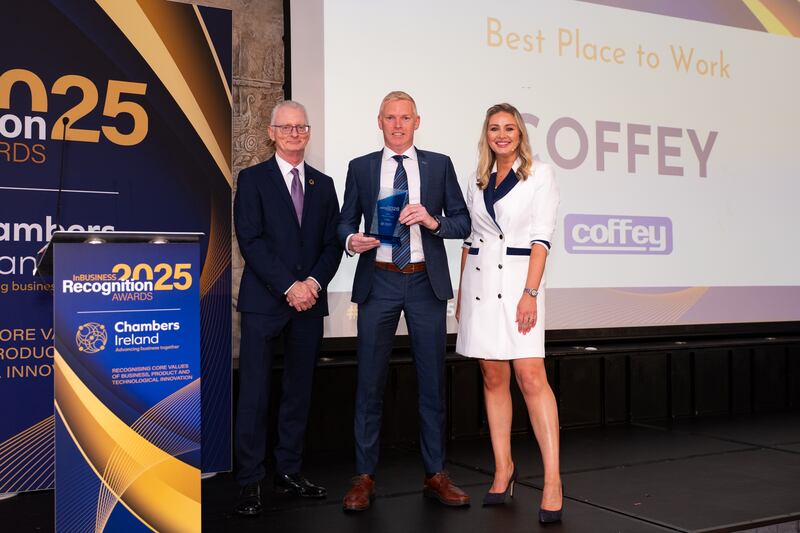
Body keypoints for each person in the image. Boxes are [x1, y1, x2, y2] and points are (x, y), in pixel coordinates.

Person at [337, 91, 471, 511]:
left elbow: (463, 222)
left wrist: (432, 221)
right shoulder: (360, 167)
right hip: (379, 281)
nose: (398, 125)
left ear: (418, 121)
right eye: (390, 118)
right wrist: (350, 239)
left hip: (423, 284)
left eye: (405, 118)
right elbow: (345, 218)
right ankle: (363, 477)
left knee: (432, 383)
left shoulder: (439, 165)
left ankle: (435, 474)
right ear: (379, 122)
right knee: (368, 384)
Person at [233, 100, 342, 516]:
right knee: (255, 395)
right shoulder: (253, 179)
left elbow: (332, 244)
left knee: (298, 393)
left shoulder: (323, 184)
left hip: (309, 304)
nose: (296, 134)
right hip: (266, 302)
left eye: (302, 127)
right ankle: (249, 482)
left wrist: (311, 284)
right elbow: (251, 240)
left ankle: (290, 472)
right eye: (288, 127)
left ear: (308, 133)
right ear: (271, 132)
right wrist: (288, 286)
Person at [455, 103, 562, 523]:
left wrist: (530, 293)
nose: (502, 135)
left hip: (520, 288)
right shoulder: (476, 178)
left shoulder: (541, 174)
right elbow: (469, 240)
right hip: (480, 289)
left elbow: (542, 239)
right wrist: (461, 295)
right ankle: (504, 469)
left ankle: (552, 479)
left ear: (520, 135)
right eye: (495, 129)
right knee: (492, 374)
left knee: (531, 376)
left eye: (510, 129)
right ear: (487, 134)